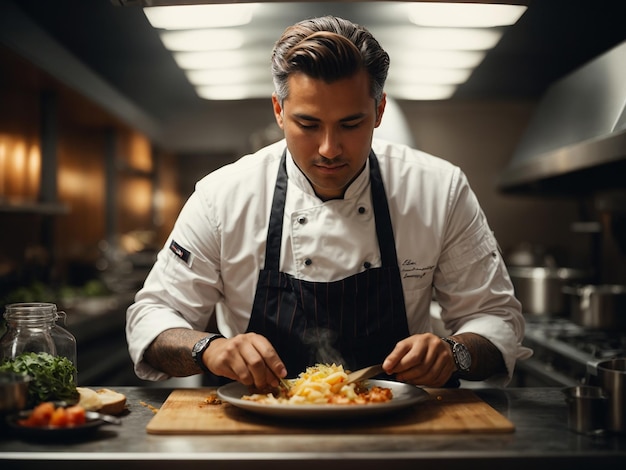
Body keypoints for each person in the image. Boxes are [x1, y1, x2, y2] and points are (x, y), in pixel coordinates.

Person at [126, 15, 531, 390]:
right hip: (257, 433)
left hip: (399, 430)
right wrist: (209, 348)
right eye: (308, 124)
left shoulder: (438, 190)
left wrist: (453, 353)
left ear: (379, 110)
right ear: (279, 110)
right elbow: (153, 316)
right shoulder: (222, 197)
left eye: (351, 124)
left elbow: (496, 318)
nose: (329, 148)